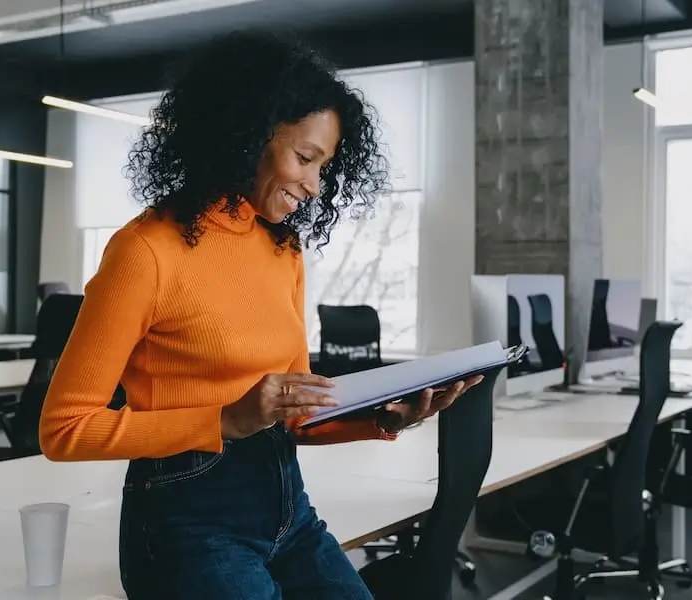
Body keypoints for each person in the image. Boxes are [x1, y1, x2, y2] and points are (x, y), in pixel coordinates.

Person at [38, 31, 483, 600]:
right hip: (188, 525)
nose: (315, 185)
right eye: (305, 158)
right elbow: (64, 429)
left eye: (324, 167)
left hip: (288, 513)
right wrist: (224, 419)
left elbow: (294, 415)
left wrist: (385, 420)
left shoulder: (282, 250)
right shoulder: (146, 250)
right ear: (246, 135)